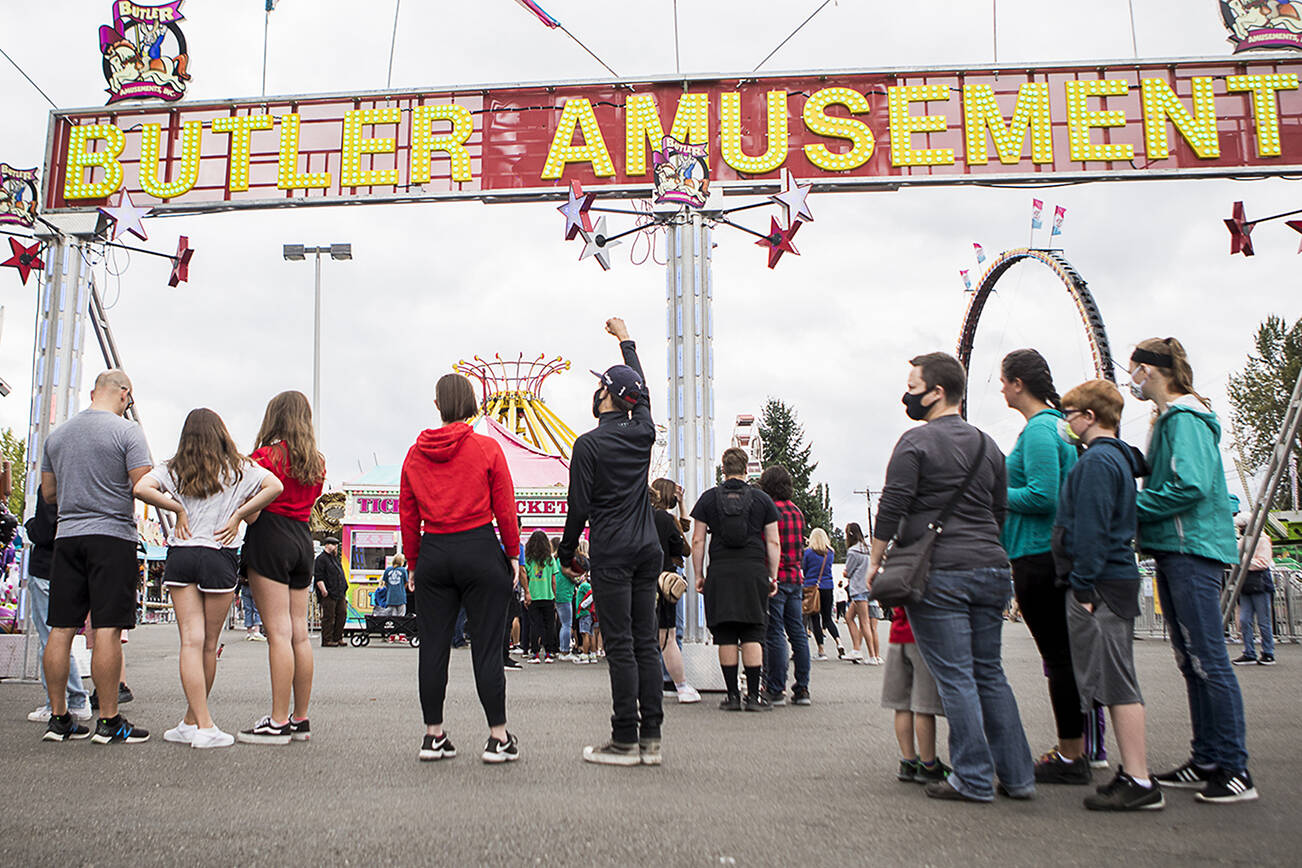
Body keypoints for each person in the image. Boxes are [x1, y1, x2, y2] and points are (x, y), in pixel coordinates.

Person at [867, 352, 1034, 802]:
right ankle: (1018, 776)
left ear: (937, 392)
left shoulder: (915, 442)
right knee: (989, 674)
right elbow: (1000, 510)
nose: (908, 395)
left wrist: (876, 561)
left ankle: (973, 778)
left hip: (940, 572)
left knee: (955, 676)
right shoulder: (988, 446)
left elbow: (893, 506)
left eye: (914, 386)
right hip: (991, 568)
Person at [1128, 338, 1258, 803]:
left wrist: (1130, 504)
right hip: (1176, 548)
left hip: (1191, 549)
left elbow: (1190, 485)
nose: (1131, 382)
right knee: (1193, 661)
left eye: (1134, 371)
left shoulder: (1184, 419)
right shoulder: (1174, 419)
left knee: (1208, 660)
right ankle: (1207, 756)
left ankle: (1235, 767)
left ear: (1149, 369)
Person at [134, 407, 284, 749]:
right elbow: (274, 485)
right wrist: (239, 514)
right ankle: (205, 726)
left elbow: (141, 488)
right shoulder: (239, 467)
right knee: (208, 645)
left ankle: (190, 721)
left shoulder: (175, 467)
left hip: (182, 554)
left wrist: (177, 508)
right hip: (219, 554)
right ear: (221, 432)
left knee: (189, 641)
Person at [558, 317, 664, 767]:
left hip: (613, 551)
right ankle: (651, 739)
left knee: (619, 644)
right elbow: (643, 394)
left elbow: (578, 510)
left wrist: (566, 555)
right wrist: (626, 342)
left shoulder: (588, 446)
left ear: (605, 396)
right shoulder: (643, 433)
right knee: (645, 641)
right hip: (647, 548)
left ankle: (624, 739)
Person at [1054, 379, 1163, 811]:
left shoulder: (1098, 462)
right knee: (1115, 679)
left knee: (1117, 683)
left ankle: (1139, 778)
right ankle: (1133, 773)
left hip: (1101, 586)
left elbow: (1093, 528)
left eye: (1071, 413)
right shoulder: (1115, 459)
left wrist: (1082, 585)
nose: (1067, 421)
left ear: (1090, 416)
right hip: (1111, 581)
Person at [399, 372, 520, 764]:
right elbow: (505, 507)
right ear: (471, 403)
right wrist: (513, 555)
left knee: (433, 646)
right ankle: (497, 737)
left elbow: (407, 513)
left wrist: (414, 562)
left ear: (437, 405)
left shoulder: (415, 454)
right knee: (486, 647)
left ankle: (433, 735)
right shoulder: (487, 449)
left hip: (434, 549)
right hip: (479, 547)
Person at [999, 349, 1097, 784]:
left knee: (1056, 657)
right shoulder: (1059, 425)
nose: (1000, 388)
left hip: (1037, 554)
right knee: (1066, 656)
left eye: (1003, 381)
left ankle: (1071, 754)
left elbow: (1043, 495)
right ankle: (1082, 747)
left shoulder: (1038, 430)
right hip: (1052, 553)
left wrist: (997, 496)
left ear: (1018, 383)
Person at [39, 370, 153, 745]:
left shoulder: (58, 436)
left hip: (68, 537)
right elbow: (144, 484)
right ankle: (108, 721)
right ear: (126, 395)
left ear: (93, 392)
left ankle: (59, 719)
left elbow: (50, 494)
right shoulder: (127, 432)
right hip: (112, 537)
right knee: (107, 628)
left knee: (61, 628)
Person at [237, 391, 325, 746]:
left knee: (277, 633)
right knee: (299, 633)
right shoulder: (317, 462)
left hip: (270, 538)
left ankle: (276, 722)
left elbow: (254, 511)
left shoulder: (263, 458)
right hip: (302, 540)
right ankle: (299, 718)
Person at [690, 447, 781, 712]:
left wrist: (699, 574)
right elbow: (773, 542)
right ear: (745, 468)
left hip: (720, 570)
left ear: (723, 468)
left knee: (726, 634)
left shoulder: (708, 499)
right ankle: (753, 697)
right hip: (753, 571)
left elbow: (697, 540)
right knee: (753, 631)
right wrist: (772, 575)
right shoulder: (763, 500)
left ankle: (731, 696)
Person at [23, 497, 92, 723]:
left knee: (51, 640)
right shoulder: (81, 487)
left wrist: (29, 524)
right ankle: (74, 699)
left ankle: (64, 702)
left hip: (45, 567)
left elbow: (42, 532)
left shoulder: (50, 488)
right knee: (62, 636)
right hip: (71, 568)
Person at [758, 465, 811, 706]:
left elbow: (768, 543)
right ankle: (802, 688)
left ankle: (775, 687)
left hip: (775, 577)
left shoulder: (769, 511)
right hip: (796, 578)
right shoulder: (797, 512)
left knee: (775, 632)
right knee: (798, 632)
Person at [882, 606, 951, 785]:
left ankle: (908, 761)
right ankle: (928, 765)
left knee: (902, 705)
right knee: (924, 705)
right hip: (922, 636)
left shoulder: (894, 575)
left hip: (897, 634)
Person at [649, 478, 700, 703]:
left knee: (647, 632)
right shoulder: (666, 520)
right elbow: (685, 548)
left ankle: (651, 681)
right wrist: (682, 505)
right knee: (670, 633)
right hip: (667, 577)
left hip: (643, 578)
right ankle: (676, 682)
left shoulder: (640, 517)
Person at [1232, 514, 1276, 666]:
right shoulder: (1244, 541)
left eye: (1243, 526)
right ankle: (1249, 651)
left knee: (1264, 621)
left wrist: (1244, 560)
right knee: (1244, 620)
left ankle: (1268, 652)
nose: (1241, 529)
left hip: (1260, 582)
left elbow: (1263, 562)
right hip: (1246, 583)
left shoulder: (1263, 540)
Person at [843, 522, 880, 664]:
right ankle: (859, 650)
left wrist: (846, 573)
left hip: (858, 588)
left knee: (864, 622)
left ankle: (870, 655)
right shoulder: (869, 549)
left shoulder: (853, 551)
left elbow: (849, 571)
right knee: (849, 617)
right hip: (870, 586)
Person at [803, 528, 843, 660]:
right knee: (827, 618)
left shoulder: (808, 553)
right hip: (827, 586)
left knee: (815, 619)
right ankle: (839, 642)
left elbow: (805, 568)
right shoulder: (830, 552)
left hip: (812, 587)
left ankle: (821, 650)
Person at [523, 530, 560, 663]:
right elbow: (554, 581)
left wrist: (526, 593)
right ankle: (549, 653)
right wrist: (555, 596)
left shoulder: (528, 560)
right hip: (548, 596)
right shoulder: (550, 559)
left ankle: (535, 653)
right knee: (549, 625)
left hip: (533, 596)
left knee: (535, 625)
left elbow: (525, 578)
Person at [314, 538, 348, 647]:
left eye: (336, 545)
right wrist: (323, 590)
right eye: (333, 545)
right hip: (329, 592)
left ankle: (338, 637)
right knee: (329, 616)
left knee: (342, 614)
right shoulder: (321, 559)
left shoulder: (334, 559)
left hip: (339, 592)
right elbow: (319, 576)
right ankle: (327, 639)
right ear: (327, 545)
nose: (335, 547)